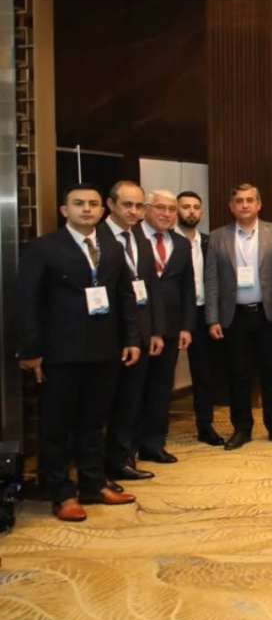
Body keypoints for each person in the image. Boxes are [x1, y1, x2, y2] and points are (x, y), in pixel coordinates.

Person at [17, 184, 141, 521]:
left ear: (103, 210)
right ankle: (61, 492)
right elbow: (27, 302)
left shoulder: (112, 247)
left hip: (104, 349)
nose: (87, 209)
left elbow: (125, 296)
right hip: (60, 352)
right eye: (78, 203)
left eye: (93, 204)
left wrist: (131, 338)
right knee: (57, 425)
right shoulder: (43, 248)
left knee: (94, 422)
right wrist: (31, 349)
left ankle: (93, 483)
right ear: (64, 210)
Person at [206, 183, 272, 450]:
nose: (244, 205)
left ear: (259, 204)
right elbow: (211, 280)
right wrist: (212, 318)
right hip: (234, 317)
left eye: (249, 200)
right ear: (231, 207)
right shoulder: (217, 236)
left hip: (268, 315)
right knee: (238, 375)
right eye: (239, 201)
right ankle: (242, 429)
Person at [100, 180, 163, 482]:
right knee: (104, 403)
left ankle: (122, 458)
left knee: (131, 399)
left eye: (139, 206)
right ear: (110, 205)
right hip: (106, 335)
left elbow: (150, 288)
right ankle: (99, 465)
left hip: (140, 333)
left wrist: (154, 331)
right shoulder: (96, 238)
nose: (134, 211)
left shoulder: (140, 238)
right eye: (127, 204)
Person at [135, 189, 197, 464]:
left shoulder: (181, 244)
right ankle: (126, 449)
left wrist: (186, 326)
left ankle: (154, 444)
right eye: (160, 208)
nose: (167, 214)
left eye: (172, 209)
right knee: (133, 389)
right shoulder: (131, 238)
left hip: (171, 327)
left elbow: (187, 288)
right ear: (146, 209)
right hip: (137, 327)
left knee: (161, 388)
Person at [176, 191, 224, 446]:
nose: (191, 211)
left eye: (196, 207)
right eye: (185, 206)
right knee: (160, 374)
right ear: (177, 210)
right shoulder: (167, 241)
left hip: (202, 312)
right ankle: (150, 432)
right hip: (172, 315)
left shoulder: (208, 242)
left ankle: (205, 426)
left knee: (204, 373)